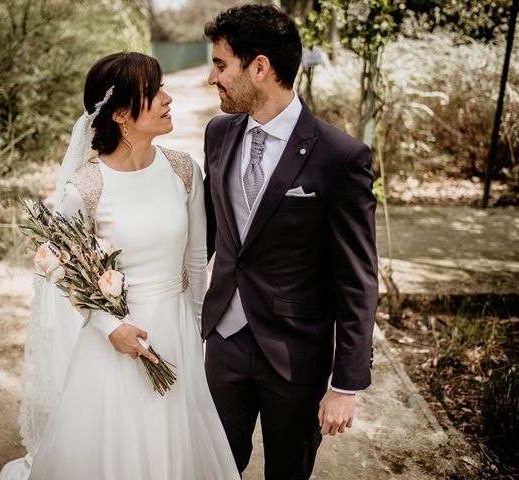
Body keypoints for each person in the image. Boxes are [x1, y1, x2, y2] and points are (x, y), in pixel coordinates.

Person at [0, 51, 240, 480]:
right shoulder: (86, 187)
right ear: (122, 114)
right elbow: (65, 271)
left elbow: (197, 258)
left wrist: (198, 327)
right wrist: (111, 327)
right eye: (156, 91)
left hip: (177, 325)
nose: (169, 99)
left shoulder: (183, 170)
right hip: (116, 339)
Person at [202, 4, 379, 479]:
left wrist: (346, 382)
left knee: (288, 471)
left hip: (295, 352)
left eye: (221, 65)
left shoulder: (340, 156)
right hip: (224, 340)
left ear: (259, 68)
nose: (211, 78)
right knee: (215, 466)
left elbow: (357, 278)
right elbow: (209, 234)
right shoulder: (218, 133)